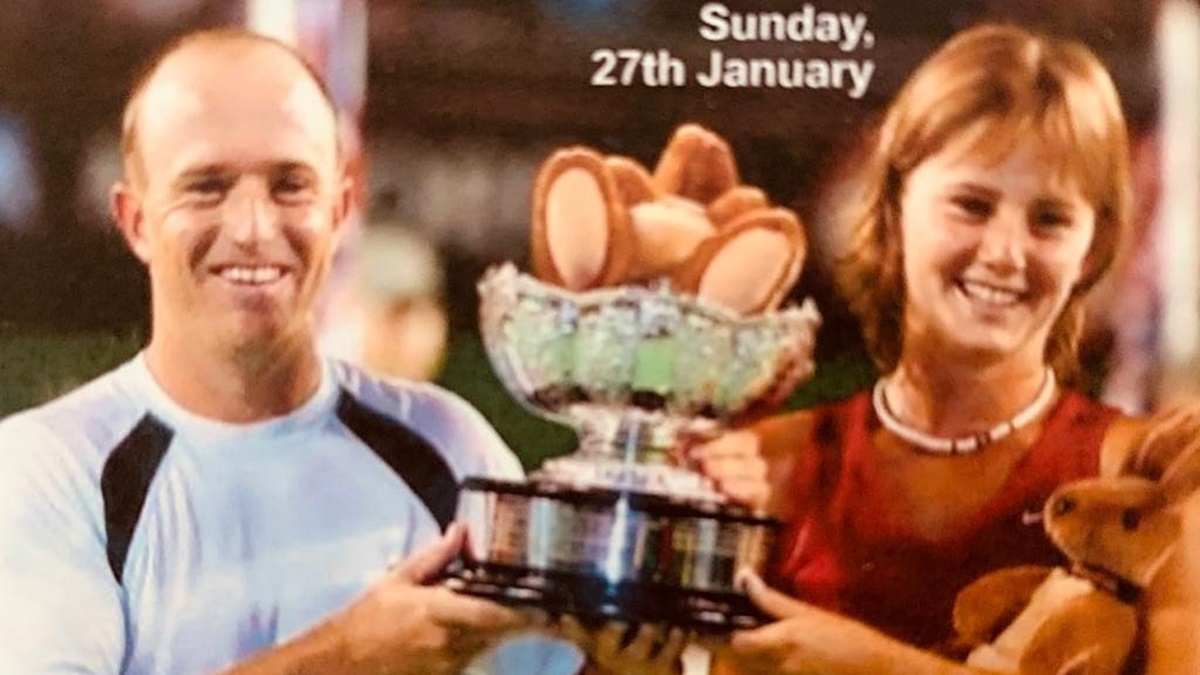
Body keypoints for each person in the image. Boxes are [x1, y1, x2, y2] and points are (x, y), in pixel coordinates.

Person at [0, 29, 582, 675]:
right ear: (136, 220)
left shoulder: (449, 447)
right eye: (207, 186)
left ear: (340, 209)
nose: (253, 228)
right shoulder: (46, 471)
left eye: (289, 185)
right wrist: (350, 654)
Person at [677, 22, 1200, 674]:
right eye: (972, 206)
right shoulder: (767, 467)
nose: (1005, 253)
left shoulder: (1150, 483)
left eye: (1049, 219)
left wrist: (882, 667)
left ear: (1091, 248)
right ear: (894, 213)